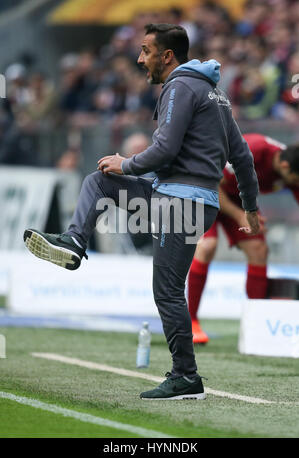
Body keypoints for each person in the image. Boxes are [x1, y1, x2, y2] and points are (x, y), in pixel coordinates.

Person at [23, 23, 260, 400]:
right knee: (98, 182)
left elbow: (165, 149)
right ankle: (74, 241)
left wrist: (127, 163)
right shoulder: (215, 94)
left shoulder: (179, 86)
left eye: (146, 50)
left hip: (180, 201)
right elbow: (242, 156)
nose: (139, 58)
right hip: (193, 200)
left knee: (166, 292)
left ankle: (186, 377)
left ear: (167, 56)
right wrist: (250, 206)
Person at [188, 133, 299, 344]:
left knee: (259, 250)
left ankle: (255, 325)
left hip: (238, 199)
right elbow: (213, 184)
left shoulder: (293, 166)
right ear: (285, 167)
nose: (296, 184)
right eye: (295, 180)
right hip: (203, 188)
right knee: (207, 246)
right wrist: (242, 215)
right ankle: (190, 323)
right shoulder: (254, 151)